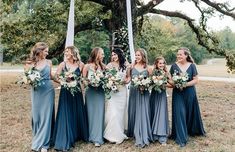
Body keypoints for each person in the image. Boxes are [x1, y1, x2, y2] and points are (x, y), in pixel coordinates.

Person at [52, 46, 89, 151]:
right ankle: (65, 137)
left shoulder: (81, 65)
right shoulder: (62, 64)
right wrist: (63, 82)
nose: (65, 53)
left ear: (73, 52)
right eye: (65, 52)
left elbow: (84, 80)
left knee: (76, 112)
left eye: (67, 52)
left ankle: (77, 134)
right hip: (66, 92)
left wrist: (82, 84)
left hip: (76, 92)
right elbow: (55, 77)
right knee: (66, 113)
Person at [169, 47, 206, 147]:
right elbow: (171, 80)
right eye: (178, 54)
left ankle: (191, 130)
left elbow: (196, 80)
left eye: (180, 54)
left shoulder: (192, 66)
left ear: (186, 55)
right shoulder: (174, 66)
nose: (178, 56)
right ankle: (181, 137)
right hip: (178, 94)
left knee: (190, 112)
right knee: (179, 112)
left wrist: (185, 84)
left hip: (190, 92)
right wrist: (174, 83)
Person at [24, 42, 55, 152]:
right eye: (46, 51)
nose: (47, 53)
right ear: (40, 51)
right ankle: (37, 137)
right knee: (36, 116)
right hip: (36, 92)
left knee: (46, 116)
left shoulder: (49, 62)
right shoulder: (30, 63)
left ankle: (44, 144)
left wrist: (64, 81)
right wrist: (29, 80)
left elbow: (51, 76)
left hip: (48, 90)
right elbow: (27, 79)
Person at [126, 48, 153, 147]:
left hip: (144, 93)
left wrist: (145, 85)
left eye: (139, 55)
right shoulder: (131, 67)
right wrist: (117, 81)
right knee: (134, 111)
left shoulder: (149, 68)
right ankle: (134, 131)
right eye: (136, 55)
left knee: (143, 112)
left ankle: (142, 133)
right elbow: (128, 79)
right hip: (134, 91)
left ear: (143, 56)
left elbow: (151, 81)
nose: (137, 57)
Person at [103, 48, 129, 144]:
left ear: (119, 55)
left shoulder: (126, 64)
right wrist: (110, 81)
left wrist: (126, 81)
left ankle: (119, 132)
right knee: (113, 112)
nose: (113, 56)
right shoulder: (109, 65)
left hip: (122, 91)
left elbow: (128, 77)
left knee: (120, 113)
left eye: (115, 54)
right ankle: (111, 135)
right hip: (113, 92)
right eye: (112, 55)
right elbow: (105, 77)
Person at [82, 47, 106, 147]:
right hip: (90, 92)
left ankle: (97, 137)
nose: (103, 55)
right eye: (102, 54)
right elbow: (83, 79)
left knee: (99, 113)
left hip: (100, 92)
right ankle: (90, 135)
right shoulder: (87, 66)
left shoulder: (104, 67)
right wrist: (89, 82)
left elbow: (107, 78)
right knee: (90, 113)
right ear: (96, 54)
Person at [149, 57, 170, 145]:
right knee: (154, 112)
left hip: (162, 95)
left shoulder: (166, 73)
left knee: (161, 113)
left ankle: (162, 136)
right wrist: (154, 81)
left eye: (163, 63)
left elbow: (172, 83)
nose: (161, 65)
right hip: (154, 94)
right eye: (160, 63)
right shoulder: (153, 72)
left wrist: (163, 83)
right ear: (156, 64)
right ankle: (154, 134)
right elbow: (149, 82)